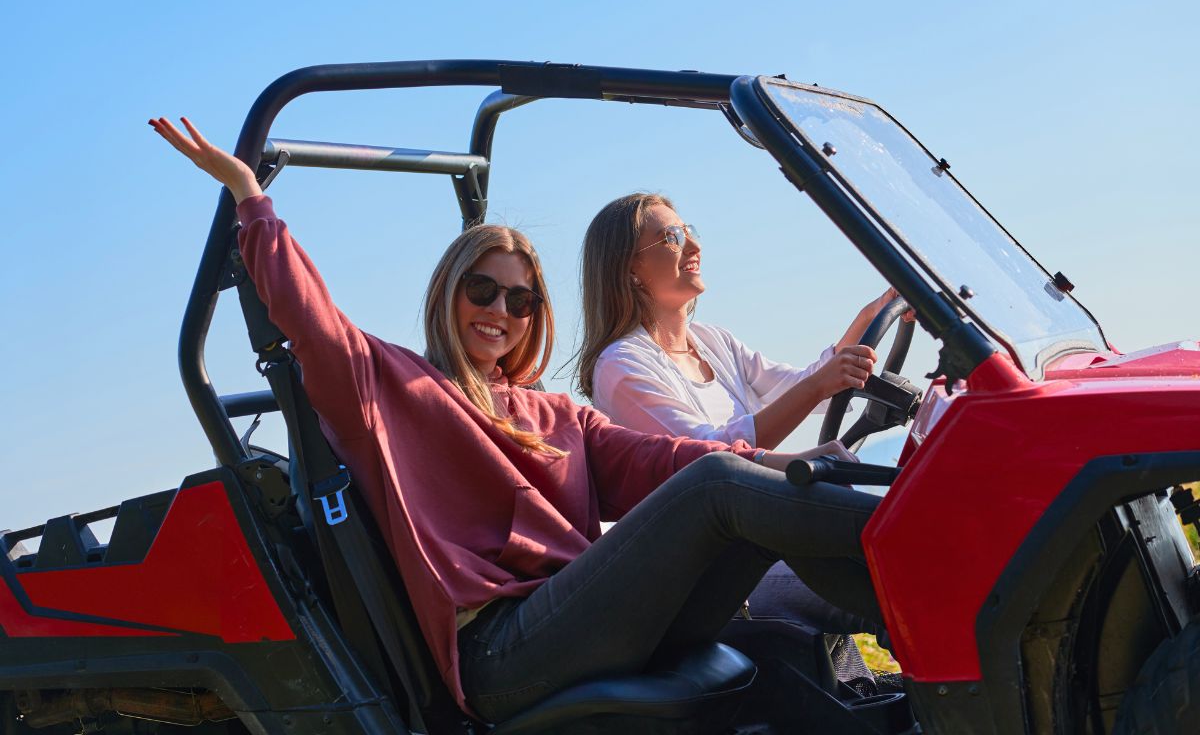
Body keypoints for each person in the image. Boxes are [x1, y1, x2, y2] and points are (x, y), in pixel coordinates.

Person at [151, 117, 885, 724]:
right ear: (450, 293)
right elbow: (310, 324)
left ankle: (914, 583)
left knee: (735, 494)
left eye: (520, 300)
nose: (499, 312)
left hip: (588, 619)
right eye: (483, 290)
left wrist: (797, 467)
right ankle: (935, 537)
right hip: (505, 648)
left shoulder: (555, 414)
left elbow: (664, 464)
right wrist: (252, 199)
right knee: (724, 485)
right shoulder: (394, 386)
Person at [578, 192, 904, 641]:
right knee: (894, 594)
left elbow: (809, 389)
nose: (693, 247)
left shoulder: (713, 341)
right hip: (724, 571)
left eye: (689, 231)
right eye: (672, 237)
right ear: (629, 267)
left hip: (769, 536)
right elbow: (712, 463)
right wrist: (815, 399)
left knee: (901, 552)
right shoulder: (621, 366)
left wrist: (871, 316)